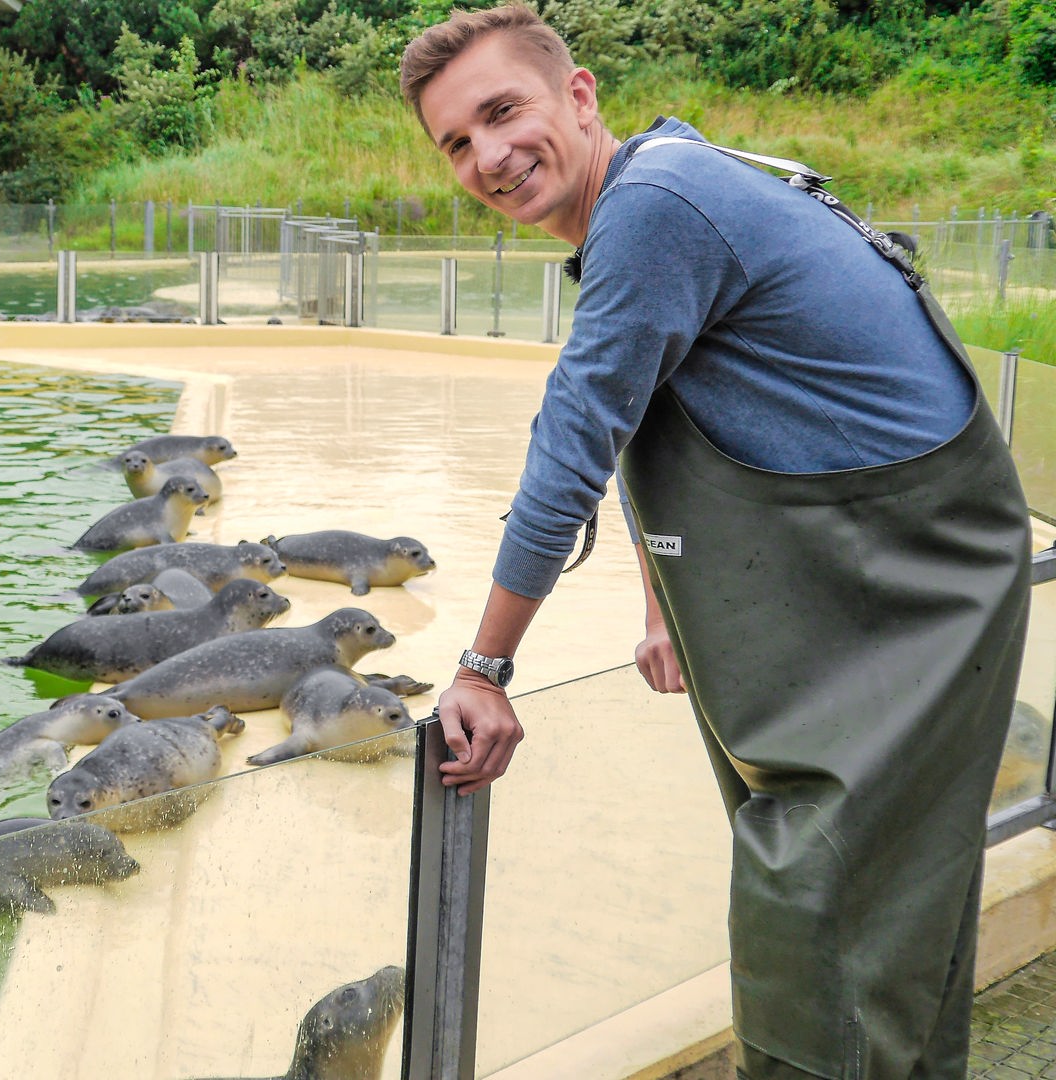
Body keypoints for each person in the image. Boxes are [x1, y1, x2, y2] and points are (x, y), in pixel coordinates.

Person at [401, 5, 1030, 1078]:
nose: (488, 157)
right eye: (456, 142)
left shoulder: (652, 207)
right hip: (876, 578)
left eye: (503, 112)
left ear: (580, 96)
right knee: (895, 933)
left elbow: (575, 443)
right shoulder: (679, 171)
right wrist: (662, 606)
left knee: (819, 940)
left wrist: (486, 667)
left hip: (905, 592)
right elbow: (672, 406)